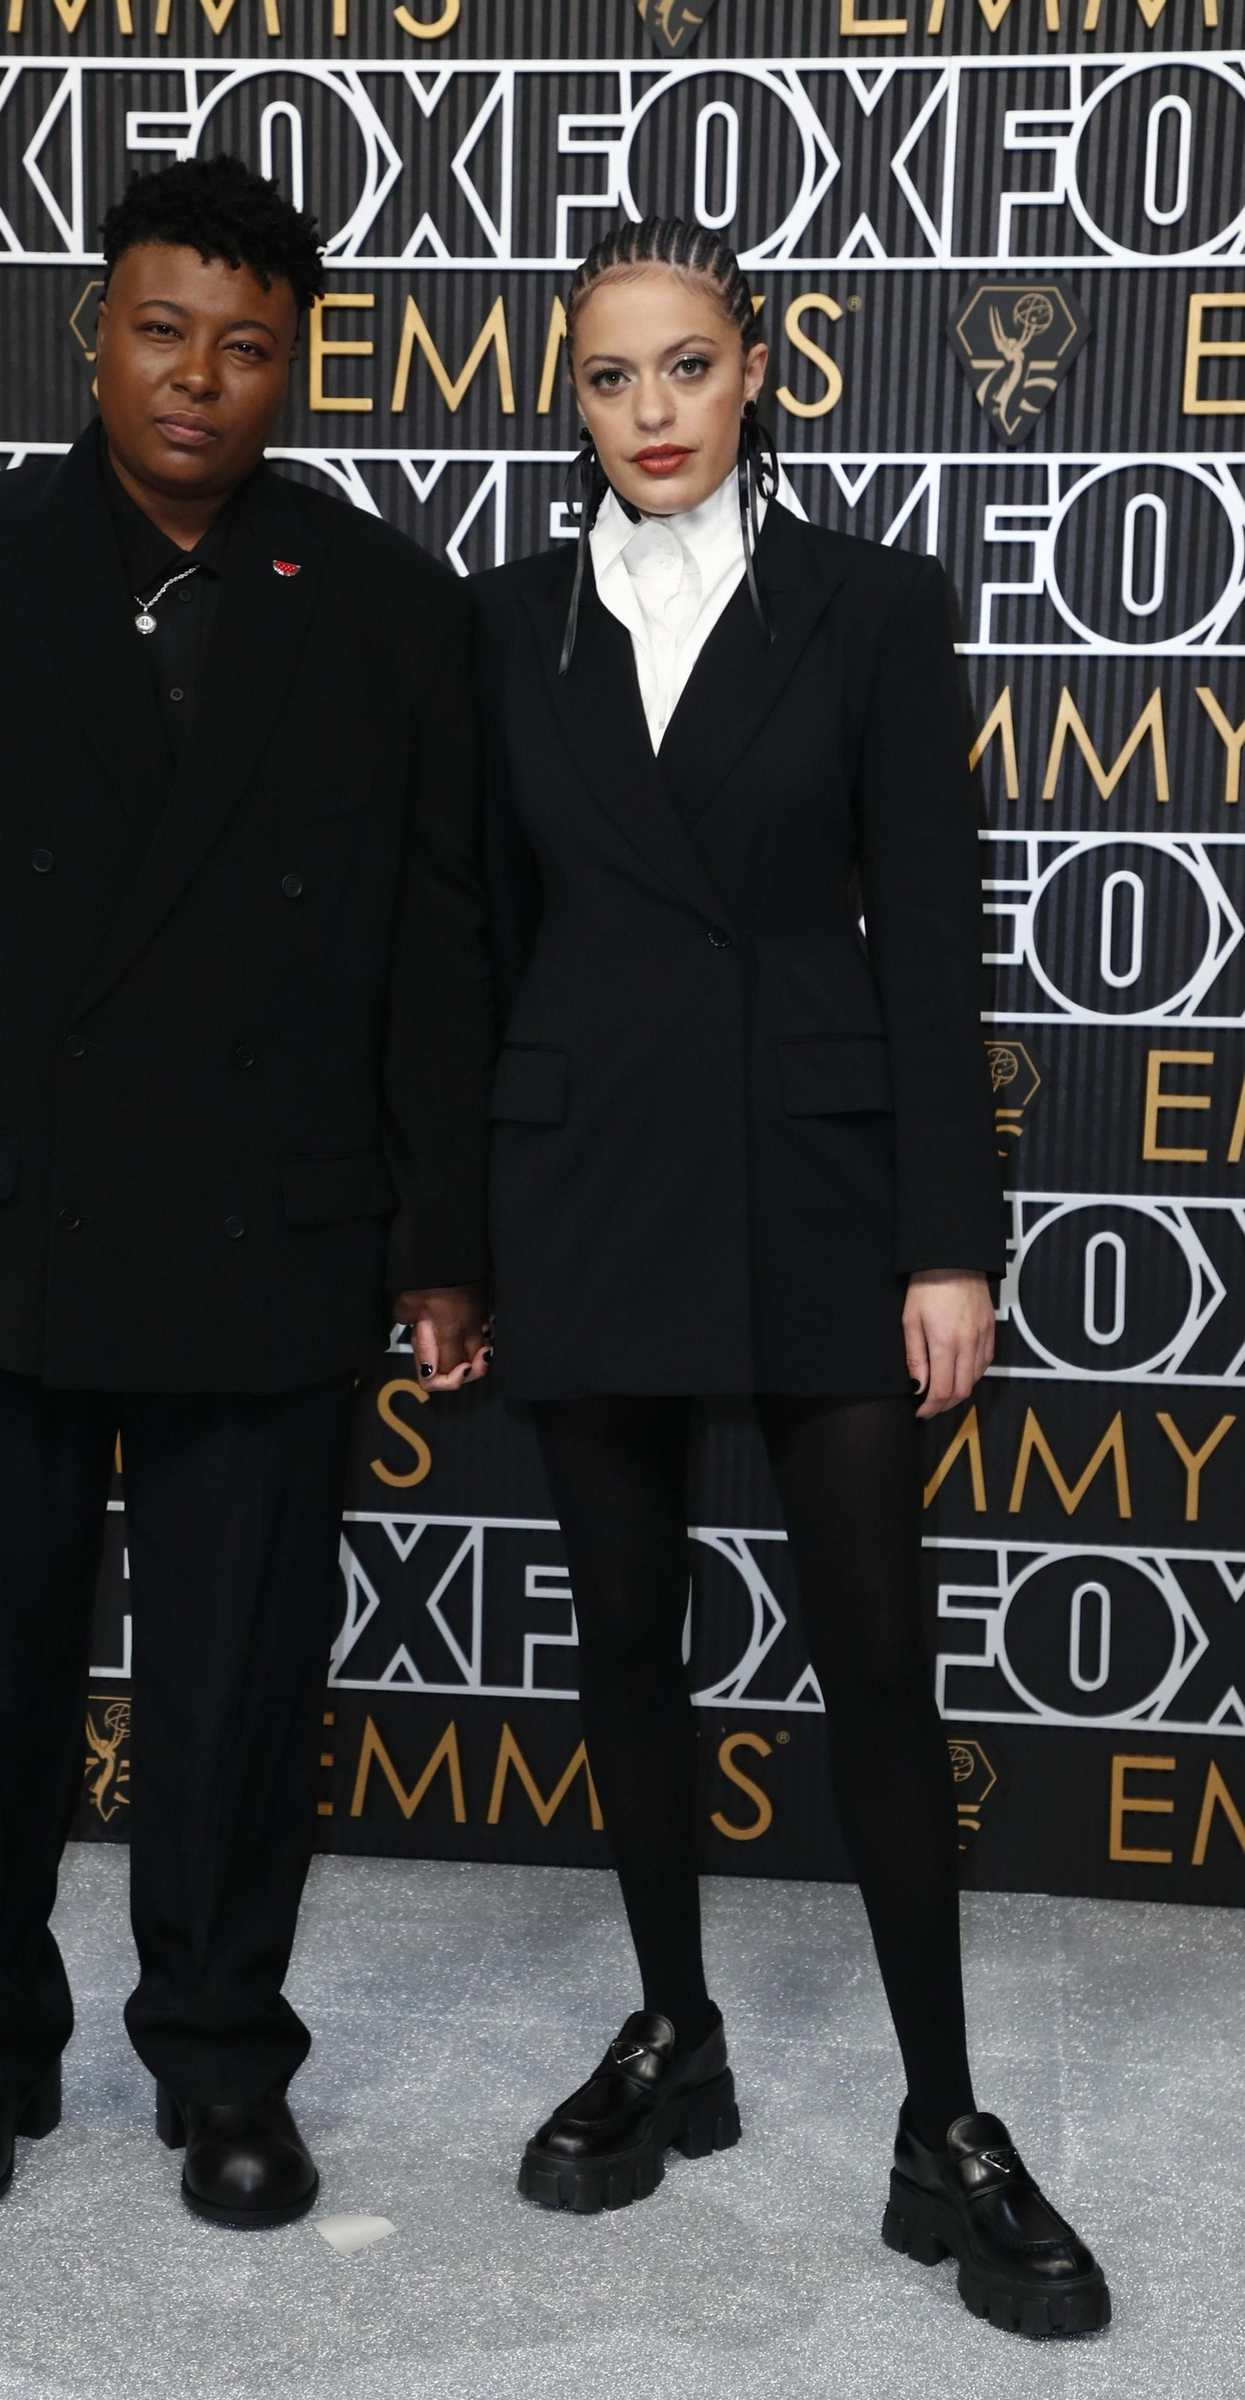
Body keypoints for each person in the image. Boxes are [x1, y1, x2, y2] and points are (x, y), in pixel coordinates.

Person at [0, 154, 494, 2227]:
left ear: (297, 363)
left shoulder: (381, 603)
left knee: (240, 1691)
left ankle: (221, 2066)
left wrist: (443, 1240)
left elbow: (438, 947)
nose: (199, 377)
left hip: (269, 1227)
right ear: (92, 329)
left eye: (247, 344)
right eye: (162, 329)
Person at [471, 216, 1109, 2340]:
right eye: (601, 378)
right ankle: (676, 2035)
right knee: (625, 1653)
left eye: (679, 366)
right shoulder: (505, 629)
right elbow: (469, 957)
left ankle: (945, 2124)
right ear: (567, 401)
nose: (643, 412)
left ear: (755, 370)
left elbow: (929, 942)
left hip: (823, 1200)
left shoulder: (867, 603)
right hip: (586, 1194)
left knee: (872, 1669)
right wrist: (449, 1246)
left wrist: (949, 1239)